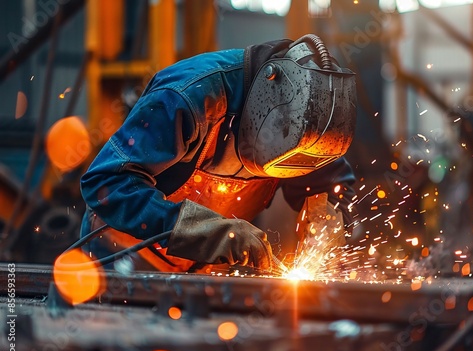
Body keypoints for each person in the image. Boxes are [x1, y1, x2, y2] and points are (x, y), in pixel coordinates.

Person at [79, 34, 357, 274]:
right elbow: (105, 182)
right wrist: (202, 231)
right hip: (124, 258)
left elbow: (328, 184)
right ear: (266, 101)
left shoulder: (308, 127)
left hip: (201, 273)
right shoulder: (189, 96)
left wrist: (328, 215)